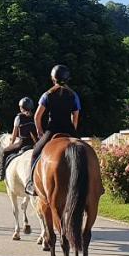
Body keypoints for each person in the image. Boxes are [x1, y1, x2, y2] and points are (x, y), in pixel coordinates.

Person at [26, 64, 81, 195]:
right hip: (69, 129)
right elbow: (75, 117)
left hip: (52, 130)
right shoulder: (74, 95)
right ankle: (95, 183)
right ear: (68, 79)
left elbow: (37, 117)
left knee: (35, 152)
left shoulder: (47, 95)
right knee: (84, 152)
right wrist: (73, 131)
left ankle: (30, 183)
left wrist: (40, 131)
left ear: (53, 79)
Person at [0, 97, 38, 174]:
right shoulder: (35, 116)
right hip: (35, 143)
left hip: (23, 143)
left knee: (5, 151)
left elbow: (14, 133)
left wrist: (11, 143)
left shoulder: (19, 117)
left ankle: (1, 172)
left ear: (22, 107)